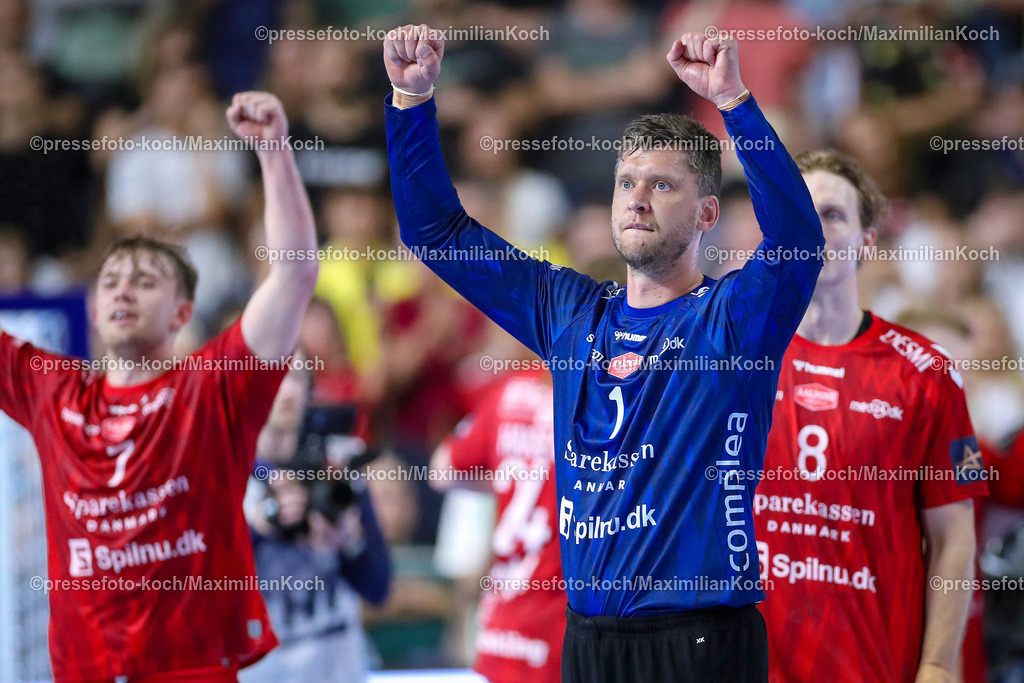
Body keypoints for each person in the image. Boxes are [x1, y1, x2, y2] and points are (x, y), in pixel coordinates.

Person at [383, 24, 824, 681]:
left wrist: (734, 102)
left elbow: (797, 239)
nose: (637, 199)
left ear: (707, 214)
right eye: (626, 183)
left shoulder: (732, 321)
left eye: (663, 185)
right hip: (588, 638)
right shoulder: (568, 313)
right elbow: (434, 231)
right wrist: (410, 102)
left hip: (701, 638)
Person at [0, 91, 318, 682]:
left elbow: (296, 271)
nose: (122, 291)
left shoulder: (213, 388)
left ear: (181, 314)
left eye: (145, 282)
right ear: (93, 310)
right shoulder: (52, 391)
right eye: (112, 281)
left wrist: (273, 150)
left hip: (190, 671)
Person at [752, 149, 989, 683]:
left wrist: (937, 666)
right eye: (803, 213)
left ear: (867, 240)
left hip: (873, 663)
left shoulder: (926, 373)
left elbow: (955, 539)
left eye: (834, 216)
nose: (816, 230)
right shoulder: (736, 355)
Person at [431, 362, 564, 682]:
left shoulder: (507, 392)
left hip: (502, 619)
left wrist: (509, 476)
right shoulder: (599, 397)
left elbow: (441, 471)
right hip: (561, 619)